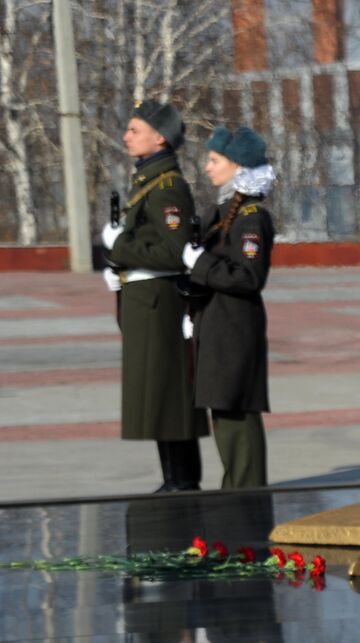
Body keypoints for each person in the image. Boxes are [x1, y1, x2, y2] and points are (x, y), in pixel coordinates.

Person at [102, 99, 206, 492]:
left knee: (169, 392)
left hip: (160, 301)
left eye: (134, 130)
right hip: (144, 299)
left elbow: (175, 251)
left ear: (159, 138)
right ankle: (172, 479)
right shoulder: (146, 181)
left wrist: (120, 248)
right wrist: (119, 265)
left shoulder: (168, 187)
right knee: (156, 393)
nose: (126, 137)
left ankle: (183, 480)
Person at [181, 126, 276, 489]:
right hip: (217, 323)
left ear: (238, 167)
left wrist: (199, 264)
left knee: (235, 410)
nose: (207, 167)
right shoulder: (224, 212)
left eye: (214, 160)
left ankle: (246, 494)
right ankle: (235, 492)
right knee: (223, 410)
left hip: (234, 328)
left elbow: (248, 277)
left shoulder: (251, 217)